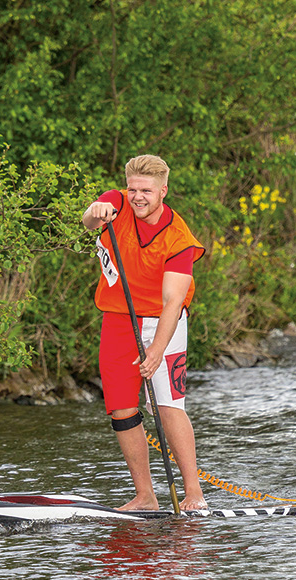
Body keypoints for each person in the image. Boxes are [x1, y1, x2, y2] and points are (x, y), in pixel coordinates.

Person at [82, 154, 207, 511]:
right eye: (133, 188)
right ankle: (146, 496)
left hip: (162, 322)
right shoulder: (117, 203)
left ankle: (194, 495)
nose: (138, 197)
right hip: (119, 318)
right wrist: (95, 211)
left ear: (163, 191)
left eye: (147, 191)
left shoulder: (179, 240)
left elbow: (173, 302)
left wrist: (156, 350)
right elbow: (91, 218)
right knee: (121, 408)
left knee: (166, 406)